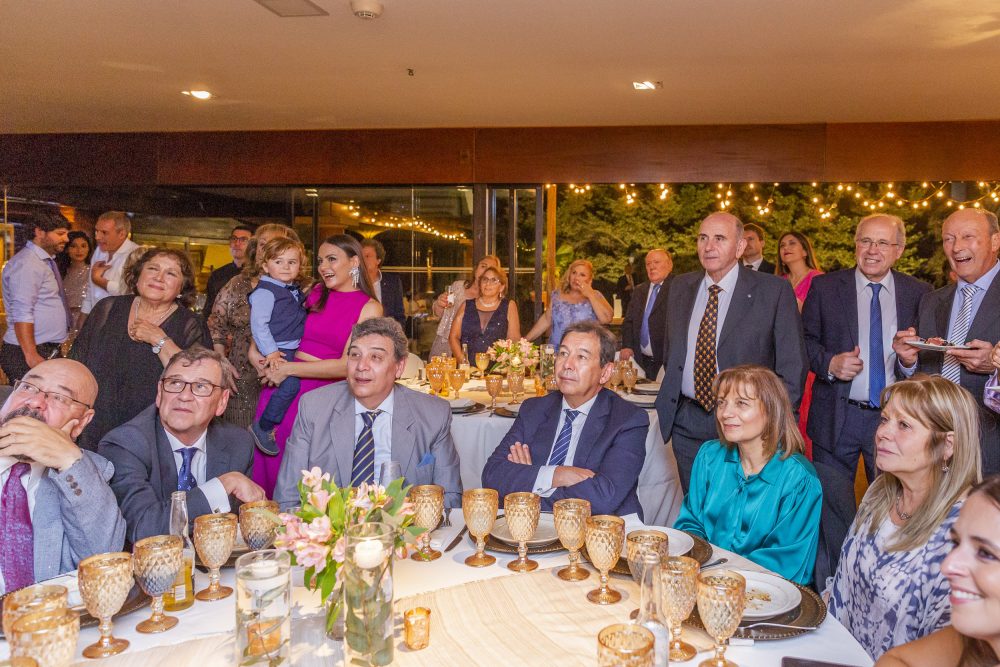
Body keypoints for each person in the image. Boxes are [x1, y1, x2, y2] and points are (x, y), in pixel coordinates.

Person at [803, 214, 932, 584]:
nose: (872, 250)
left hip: (895, 421)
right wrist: (829, 363)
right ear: (856, 245)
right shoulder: (826, 287)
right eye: (865, 241)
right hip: (836, 416)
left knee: (896, 505)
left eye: (883, 243)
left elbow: (924, 358)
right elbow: (803, 341)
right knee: (832, 511)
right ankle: (833, 587)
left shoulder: (919, 293)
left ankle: (884, 581)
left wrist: (908, 361)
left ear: (899, 250)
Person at [827, 374, 983, 661]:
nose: (883, 433)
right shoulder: (880, 493)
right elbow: (843, 586)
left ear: (948, 445)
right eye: (884, 420)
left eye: (904, 425)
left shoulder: (963, 531)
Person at [654, 212, 807, 492]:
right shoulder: (680, 287)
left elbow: (792, 364)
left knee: (742, 508)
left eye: (719, 239)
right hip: (687, 421)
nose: (708, 246)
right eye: (703, 238)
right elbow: (671, 351)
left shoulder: (772, 290)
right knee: (697, 505)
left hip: (747, 424)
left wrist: (776, 423)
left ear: (739, 247)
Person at [275, 317, 462, 509]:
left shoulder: (433, 414)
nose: (361, 366)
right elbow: (288, 498)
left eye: (376, 357)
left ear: (399, 367)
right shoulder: (314, 407)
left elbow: (449, 498)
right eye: (355, 355)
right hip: (331, 525)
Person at [251, 234, 382, 497]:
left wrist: (288, 369)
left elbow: (348, 365)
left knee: (310, 480)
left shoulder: (370, 308)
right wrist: (256, 354)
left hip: (323, 396)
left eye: (332, 259)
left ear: (354, 262)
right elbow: (271, 325)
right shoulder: (314, 293)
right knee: (271, 470)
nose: (323, 267)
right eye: (321, 260)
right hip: (281, 389)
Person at [482, 320, 649, 517]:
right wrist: (557, 474)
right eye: (563, 353)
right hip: (531, 528)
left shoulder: (627, 420)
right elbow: (492, 475)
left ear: (605, 373)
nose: (567, 365)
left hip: (597, 529)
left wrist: (529, 486)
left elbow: (602, 498)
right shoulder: (534, 409)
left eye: (581, 357)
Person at [673, 365, 822, 585]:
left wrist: (719, 577)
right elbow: (690, 523)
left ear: (771, 411)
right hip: (703, 582)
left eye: (741, 403)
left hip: (765, 592)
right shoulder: (709, 457)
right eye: (721, 402)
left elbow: (785, 561)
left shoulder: (798, 479)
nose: (725, 413)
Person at [99, 347, 263, 543]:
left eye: (201, 386)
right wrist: (223, 485)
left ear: (222, 401)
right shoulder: (126, 443)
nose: (184, 396)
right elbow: (144, 529)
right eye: (175, 383)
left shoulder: (238, 443)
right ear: (160, 393)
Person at [0, 358, 125, 591]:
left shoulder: (88, 475)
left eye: (59, 397)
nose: (36, 401)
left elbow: (103, 565)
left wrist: (69, 460)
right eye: (28, 387)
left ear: (82, 422)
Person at [894, 208, 1000, 474]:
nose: (956, 247)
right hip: (933, 447)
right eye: (948, 239)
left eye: (967, 236)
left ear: (995, 241)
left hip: (991, 447)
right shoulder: (932, 300)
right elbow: (923, 371)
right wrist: (908, 361)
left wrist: (995, 367)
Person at [71, 248, 208, 450]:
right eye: (153, 269)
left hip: (149, 434)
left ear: (181, 287)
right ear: (137, 276)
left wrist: (159, 339)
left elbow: (196, 380)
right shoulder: (107, 308)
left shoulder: (190, 324)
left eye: (171, 273)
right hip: (93, 424)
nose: (159, 277)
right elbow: (76, 361)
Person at [875, 475, 1000, 667]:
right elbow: (894, 659)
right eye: (956, 543)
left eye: (985, 553)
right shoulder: (977, 643)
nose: (947, 565)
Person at [206, 224, 300, 428]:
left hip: (286, 372)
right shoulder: (237, 283)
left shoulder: (299, 288)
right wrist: (221, 363)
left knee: (275, 434)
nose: (267, 250)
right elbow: (216, 324)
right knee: (238, 437)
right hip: (240, 376)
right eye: (263, 244)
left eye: (277, 245)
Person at [248, 237, 310, 456]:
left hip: (289, 348)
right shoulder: (266, 292)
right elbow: (259, 325)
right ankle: (264, 426)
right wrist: (271, 352)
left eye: (292, 262)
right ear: (265, 266)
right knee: (290, 386)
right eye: (278, 261)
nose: (286, 267)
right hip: (278, 350)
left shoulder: (290, 288)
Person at [0, 210, 71, 384]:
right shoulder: (27, 263)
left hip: (43, 348)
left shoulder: (44, 261)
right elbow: (22, 312)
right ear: (39, 232)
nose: (66, 239)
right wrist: (31, 355)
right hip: (28, 351)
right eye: (60, 234)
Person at [777, 230, 824, 456]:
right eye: (782, 245)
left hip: (808, 355)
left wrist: (797, 305)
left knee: (805, 415)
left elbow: (822, 318)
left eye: (792, 243)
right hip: (782, 355)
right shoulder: (779, 282)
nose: (786, 248)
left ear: (805, 250)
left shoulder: (819, 280)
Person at [523, 259, 613, 347]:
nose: (576, 278)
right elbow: (546, 319)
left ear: (589, 280)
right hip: (557, 351)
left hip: (583, 351)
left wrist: (590, 294)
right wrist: (524, 341)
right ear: (569, 275)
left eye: (582, 275)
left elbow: (607, 319)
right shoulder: (557, 295)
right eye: (574, 273)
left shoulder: (595, 295)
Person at [430, 255, 501, 358]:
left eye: (491, 268)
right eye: (483, 266)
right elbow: (441, 314)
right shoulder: (458, 287)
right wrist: (439, 304)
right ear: (475, 269)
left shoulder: (494, 297)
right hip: (445, 348)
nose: (485, 271)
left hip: (474, 352)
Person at [448, 265, 521, 362]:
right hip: (467, 366)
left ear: (502, 287)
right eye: (485, 279)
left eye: (493, 280)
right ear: (480, 284)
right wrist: (463, 361)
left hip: (496, 368)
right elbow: (453, 337)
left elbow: (514, 339)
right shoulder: (466, 305)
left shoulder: (509, 306)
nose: (488, 283)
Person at [620, 249, 673, 380]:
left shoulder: (677, 289)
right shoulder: (639, 290)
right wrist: (627, 345)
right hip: (640, 361)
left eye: (656, 262)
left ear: (669, 265)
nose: (652, 266)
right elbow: (629, 321)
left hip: (666, 362)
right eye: (648, 264)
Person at [79, 211, 140, 320]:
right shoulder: (99, 251)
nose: (97, 237)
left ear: (121, 234)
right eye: (96, 231)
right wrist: (83, 317)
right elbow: (91, 290)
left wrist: (99, 280)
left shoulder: (136, 254)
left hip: (119, 321)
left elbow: (132, 293)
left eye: (104, 232)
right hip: (95, 318)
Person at [203, 225, 253, 324]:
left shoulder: (258, 274)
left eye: (243, 240)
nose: (237, 243)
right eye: (234, 239)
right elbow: (208, 309)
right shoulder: (217, 275)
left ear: (252, 245)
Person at [361, 238, 406, 330]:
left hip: (386, 335)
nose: (363, 260)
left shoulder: (393, 282)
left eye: (367, 256)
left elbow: (399, 317)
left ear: (378, 260)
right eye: (361, 257)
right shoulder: (352, 283)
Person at [55, 230, 94, 335]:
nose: (79, 250)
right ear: (67, 249)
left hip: (87, 323)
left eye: (83, 246)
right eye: (73, 246)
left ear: (89, 249)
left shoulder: (94, 272)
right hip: (63, 323)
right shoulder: (59, 273)